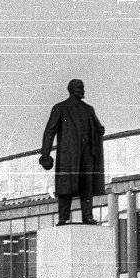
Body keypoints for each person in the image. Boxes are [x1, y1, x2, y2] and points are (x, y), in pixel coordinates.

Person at [39, 79, 106, 226]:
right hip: (69, 155)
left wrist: (98, 131)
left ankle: (87, 216)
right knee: (65, 187)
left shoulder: (89, 109)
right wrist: (45, 153)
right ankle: (63, 217)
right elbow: (50, 131)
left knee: (86, 186)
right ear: (72, 90)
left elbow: (97, 128)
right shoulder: (61, 108)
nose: (83, 90)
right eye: (80, 88)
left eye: (83, 87)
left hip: (87, 154)